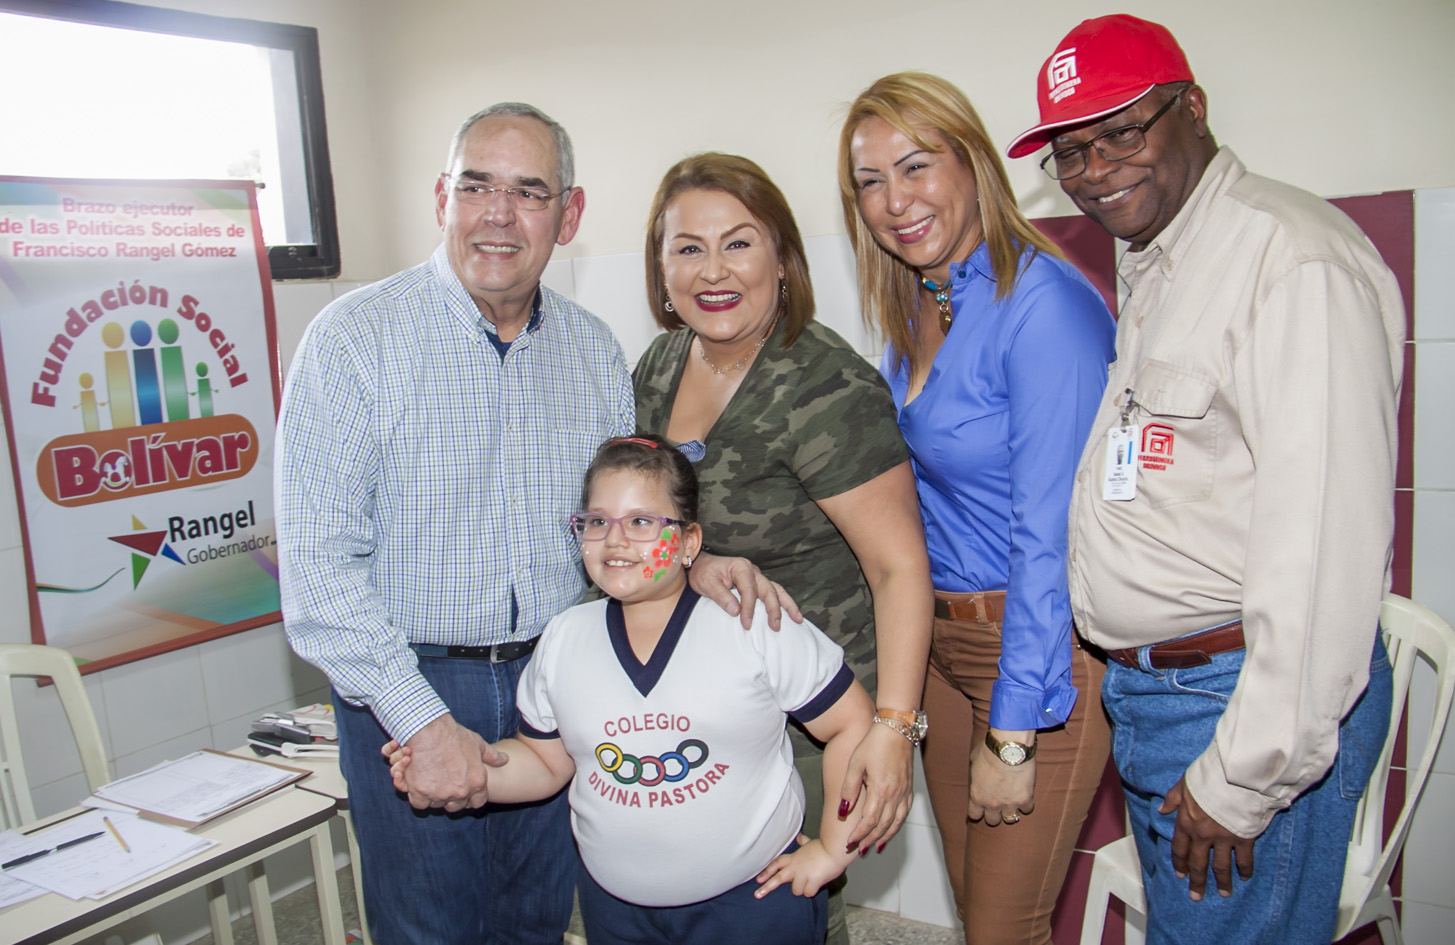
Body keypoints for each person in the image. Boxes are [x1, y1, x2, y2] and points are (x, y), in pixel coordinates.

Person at [276, 104, 792, 945]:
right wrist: (420, 719)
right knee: (428, 933)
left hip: (559, 684)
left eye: (528, 191)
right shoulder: (354, 340)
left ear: (569, 213)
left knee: (536, 925)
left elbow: (623, 519)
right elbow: (316, 568)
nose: (498, 214)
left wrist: (685, 564)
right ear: (442, 196)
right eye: (476, 186)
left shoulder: (592, 351)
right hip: (409, 682)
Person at [1005, 14, 1403, 945]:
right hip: (1164, 695)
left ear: (1191, 108)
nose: (1095, 171)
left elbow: (1323, 551)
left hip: (1233, 704)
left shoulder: (1289, 261)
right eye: (1071, 152)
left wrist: (1243, 776)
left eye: (1121, 133)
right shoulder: (1162, 257)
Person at [386, 435, 874, 945]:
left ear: (689, 542)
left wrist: (832, 850)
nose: (615, 540)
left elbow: (852, 724)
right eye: (597, 522)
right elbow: (546, 763)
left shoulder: (751, 623)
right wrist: (471, 769)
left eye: (641, 521)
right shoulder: (564, 638)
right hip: (615, 913)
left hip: (751, 906)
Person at [839, 72, 1116, 945]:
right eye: (869, 181)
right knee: (974, 907)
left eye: (915, 166)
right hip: (943, 647)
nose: (894, 201)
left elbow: (1051, 534)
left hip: (1034, 653)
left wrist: (1014, 734)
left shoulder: (1045, 306)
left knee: (1003, 928)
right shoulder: (918, 304)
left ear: (973, 164)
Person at [632, 152, 935, 944]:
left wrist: (893, 728)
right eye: (687, 248)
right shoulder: (660, 366)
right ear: (660, 266)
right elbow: (646, 520)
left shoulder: (823, 385)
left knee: (782, 909)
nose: (712, 271)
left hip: (809, 716)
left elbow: (899, 567)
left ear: (781, 257)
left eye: (738, 243)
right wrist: (692, 561)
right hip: (698, 700)